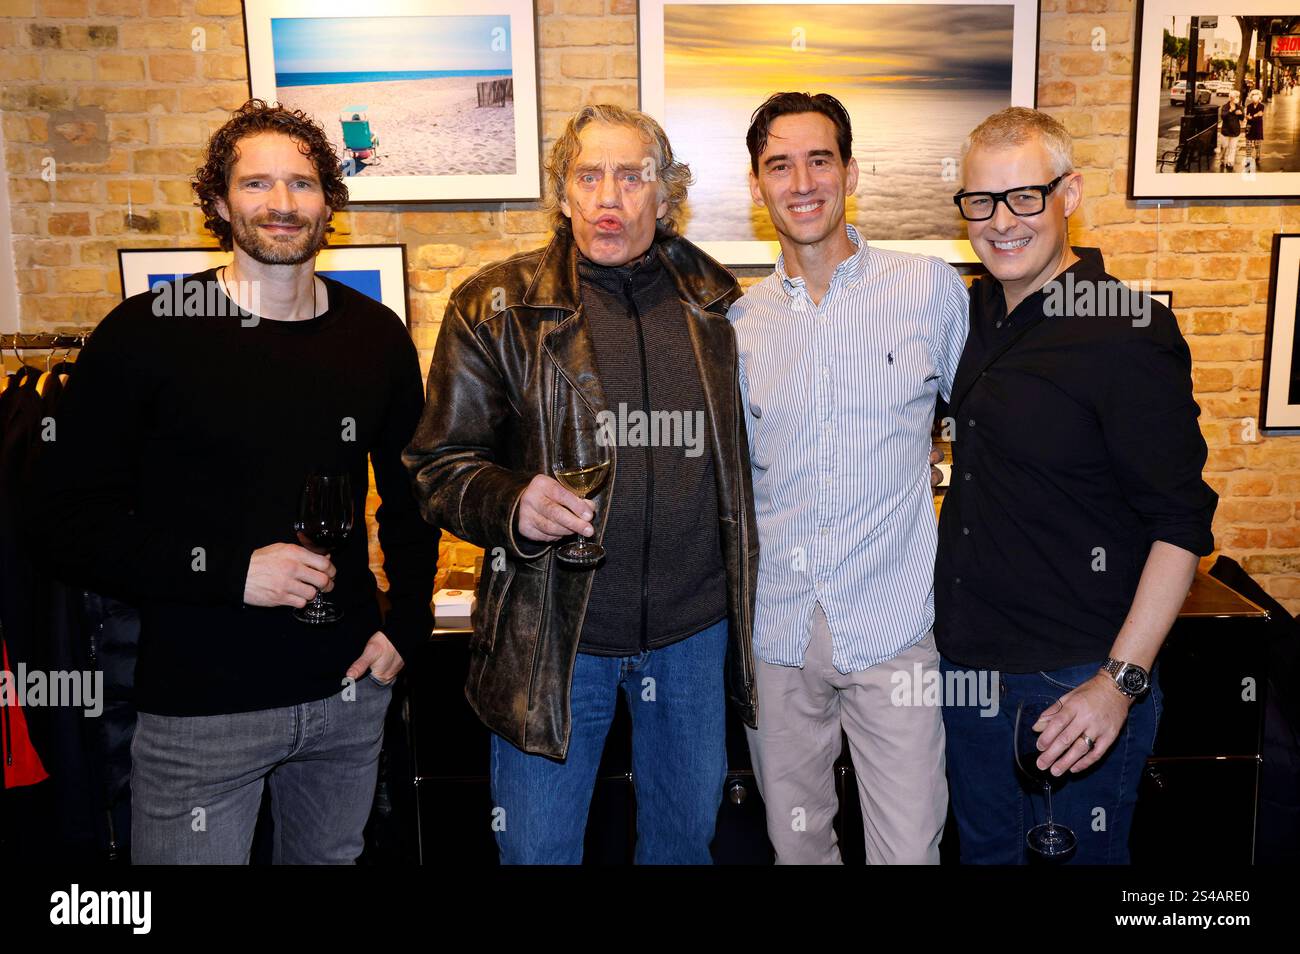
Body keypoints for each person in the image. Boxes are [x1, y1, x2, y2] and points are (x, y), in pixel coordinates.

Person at [34, 99, 439, 863]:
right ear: (219, 203)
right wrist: (230, 572)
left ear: (329, 201)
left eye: (303, 184)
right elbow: (62, 521)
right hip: (200, 708)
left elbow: (412, 493)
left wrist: (407, 626)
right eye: (257, 185)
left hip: (347, 694)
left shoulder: (373, 334)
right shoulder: (148, 331)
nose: (282, 205)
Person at [402, 104, 758, 865]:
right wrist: (510, 500)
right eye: (587, 175)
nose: (608, 196)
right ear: (562, 195)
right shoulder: (496, 307)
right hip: (555, 637)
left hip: (695, 639)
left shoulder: (722, 308)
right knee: (537, 852)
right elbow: (437, 467)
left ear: (665, 196)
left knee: (682, 849)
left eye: (631, 177)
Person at [938, 107, 1217, 864]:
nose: (1000, 223)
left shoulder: (1128, 331)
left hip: (1071, 682)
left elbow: (1182, 523)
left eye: (1024, 197)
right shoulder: (971, 313)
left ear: (1070, 194)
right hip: (966, 674)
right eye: (980, 202)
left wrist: (1118, 683)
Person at [728, 92, 966, 864]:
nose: (802, 181)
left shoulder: (929, 290)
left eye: (819, 159)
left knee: (909, 852)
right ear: (758, 187)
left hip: (895, 626)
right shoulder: (737, 326)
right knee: (797, 852)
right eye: (779, 165)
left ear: (851, 171)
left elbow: (993, 434)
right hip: (779, 634)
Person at [1218, 90, 1244, 172]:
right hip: (1225, 131)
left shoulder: (1239, 107)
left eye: (1238, 97)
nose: (1238, 98)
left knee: (1232, 148)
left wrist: (1241, 114)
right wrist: (1230, 111)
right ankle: (1222, 159)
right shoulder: (1225, 106)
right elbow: (1222, 116)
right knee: (1224, 147)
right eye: (1236, 97)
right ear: (1231, 98)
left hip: (1235, 131)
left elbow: (1242, 118)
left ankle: (1230, 162)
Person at [1245, 89, 1265, 170]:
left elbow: (1259, 115)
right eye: (1253, 96)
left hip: (1257, 127)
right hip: (1249, 127)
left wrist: (1251, 117)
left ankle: (1257, 155)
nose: (1255, 98)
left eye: (1256, 96)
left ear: (1259, 97)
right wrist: (1249, 117)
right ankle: (1248, 159)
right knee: (1248, 144)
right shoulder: (1249, 106)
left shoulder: (1262, 106)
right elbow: (1248, 116)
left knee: (1257, 144)